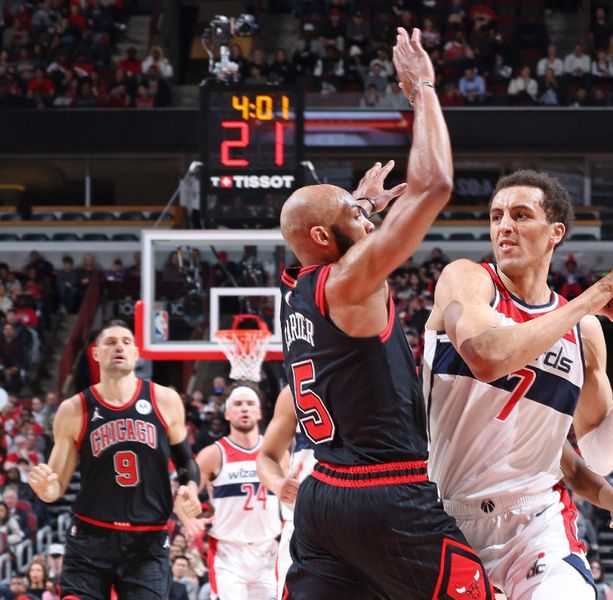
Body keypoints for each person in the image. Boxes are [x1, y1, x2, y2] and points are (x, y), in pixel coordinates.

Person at [276, 28, 493, 599]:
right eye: (354, 212)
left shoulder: (296, 286)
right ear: (326, 235)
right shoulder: (348, 282)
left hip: (323, 494)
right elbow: (435, 184)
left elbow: (320, 234)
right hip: (385, 493)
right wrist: (422, 88)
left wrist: (361, 205)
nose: (366, 215)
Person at [423, 169, 613, 597]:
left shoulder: (584, 333)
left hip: (535, 521)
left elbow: (595, 454)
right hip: (444, 515)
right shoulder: (468, 280)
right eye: (496, 216)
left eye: (520, 215)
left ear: (556, 232)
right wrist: (588, 300)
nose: (504, 227)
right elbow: (485, 357)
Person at [27, 320, 202, 599]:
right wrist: (44, 489)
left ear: (136, 353)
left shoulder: (165, 400)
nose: (119, 346)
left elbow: (186, 464)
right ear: (95, 354)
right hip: (89, 539)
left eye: (126, 341)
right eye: (110, 342)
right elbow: (54, 488)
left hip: (147, 541)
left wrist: (190, 489)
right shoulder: (74, 409)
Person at [178, 385, 282, 600]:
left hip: (269, 551)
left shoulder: (276, 452)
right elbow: (182, 495)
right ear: (227, 413)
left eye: (250, 404)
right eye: (238, 404)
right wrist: (188, 520)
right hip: (229, 554)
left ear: (259, 412)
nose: (244, 408)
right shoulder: (213, 454)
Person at [256, 386, 316, 594]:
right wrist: (277, 483)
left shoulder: (387, 376)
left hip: (365, 519)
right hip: (304, 521)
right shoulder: (293, 391)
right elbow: (266, 456)